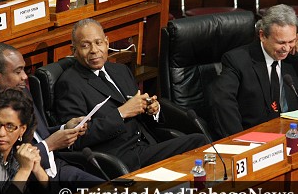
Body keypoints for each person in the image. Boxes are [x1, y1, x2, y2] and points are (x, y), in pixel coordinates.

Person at [54, 18, 207, 171]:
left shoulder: (120, 71)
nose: (94, 50)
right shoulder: (69, 83)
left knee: (200, 143)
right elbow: (76, 139)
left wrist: (152, 110)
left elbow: (141, 116)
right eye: (85, 46)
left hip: (147, 144)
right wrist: (121, 113)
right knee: (197, 143)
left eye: (98, 42)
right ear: (73, 50)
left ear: (107, 42)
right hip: (119, 158)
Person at [0, 42, 103, 190]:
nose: (25, 77)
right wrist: (49, 145)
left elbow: (37, 134)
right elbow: (2, 166)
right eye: (18, 71)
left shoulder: (19, 90)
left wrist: (65, 128)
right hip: (32, 183)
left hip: (57, 167)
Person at [208, 4, 298, 139]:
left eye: (291, 41)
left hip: (292, 134)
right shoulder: (237, 60)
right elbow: (221, 102)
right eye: (281, 42)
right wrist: (239, 140)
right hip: (256, 137)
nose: (286, 48)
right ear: (262, 36)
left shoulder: (296, 58)